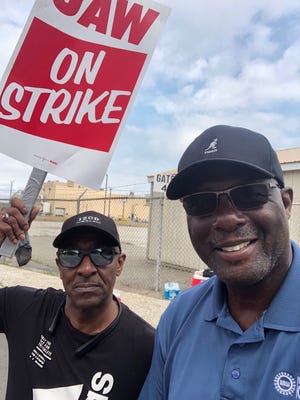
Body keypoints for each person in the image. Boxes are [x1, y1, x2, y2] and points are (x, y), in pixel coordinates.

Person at [138, 125, 299, 399]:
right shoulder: (180, 316)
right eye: (200, 203)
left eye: (249, 195)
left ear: (285, 204)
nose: (226, 219)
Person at [0, 203, 155, 399]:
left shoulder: (146, 349)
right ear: (59, 266)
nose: (86, 268)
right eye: (71, 255)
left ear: (120, 263)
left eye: (101, 254)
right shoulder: (22, 308)